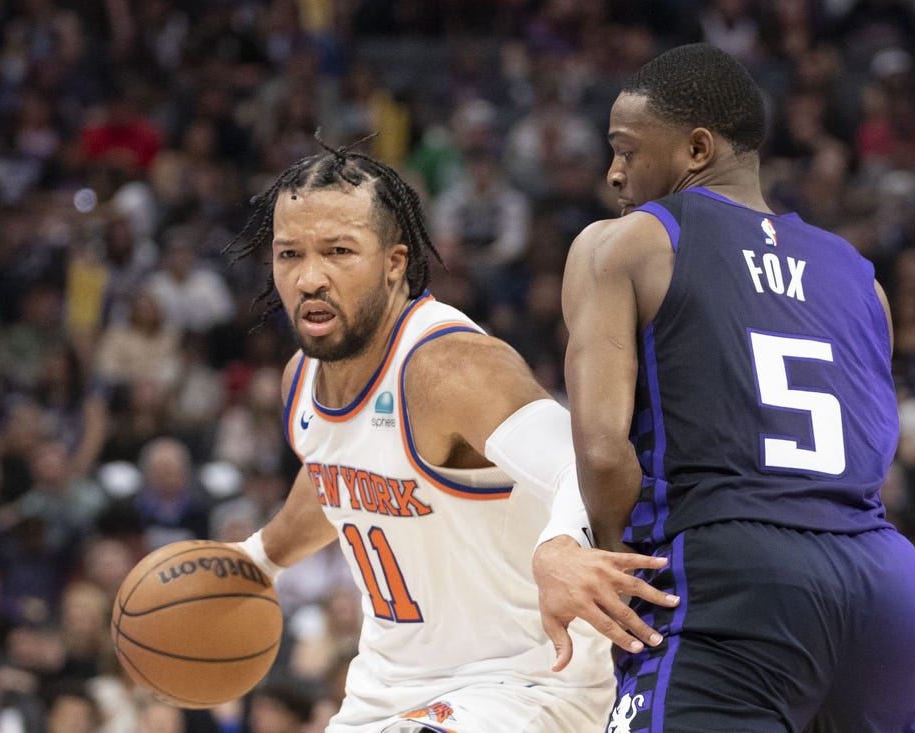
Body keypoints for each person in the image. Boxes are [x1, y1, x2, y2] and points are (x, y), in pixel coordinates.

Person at [548, 43, 915, 731]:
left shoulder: (625, 245)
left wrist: (620, 564)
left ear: (695, 148)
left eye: (626, 150)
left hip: (729, 568)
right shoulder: (861, 279)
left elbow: (601, 448)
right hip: (879, 575)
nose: (614, 173)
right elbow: (872, 444)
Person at [225, 145, 674, 732]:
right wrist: (257, 559)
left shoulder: (448, 368)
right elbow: (340, 477)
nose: (310, 277)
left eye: (339, 251)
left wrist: (562, 543)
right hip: (382, 695)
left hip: (523, 685)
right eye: (290, 254)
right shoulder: (301, 381)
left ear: (394, 262)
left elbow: (576, 460)